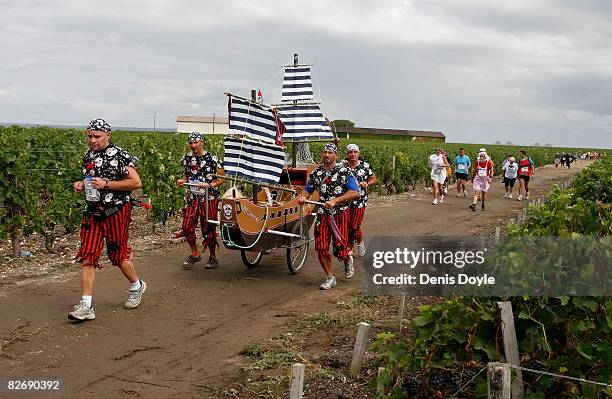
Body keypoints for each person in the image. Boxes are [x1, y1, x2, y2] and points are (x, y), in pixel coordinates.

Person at [69, 119, 146, 321]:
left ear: (107, 136)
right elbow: (90, 180)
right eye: (89, 136)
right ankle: (86, 305)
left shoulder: (120, 155)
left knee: (118, 257)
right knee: (88, 255)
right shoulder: (88, 155)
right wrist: (80, 184)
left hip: (116, 212)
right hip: (93, 212)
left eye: (97, 136)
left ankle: (137, 286)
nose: (92, 140)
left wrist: (106, 184)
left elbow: (136, 183)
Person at [298, 143, 359, 290]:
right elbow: (307, 190)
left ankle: (347, 258)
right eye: (324, 152)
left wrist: (335, 201)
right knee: (321, 247)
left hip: (340, 214)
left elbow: (354, 192)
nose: (327, 155)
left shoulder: (345, 172)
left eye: (330, 153)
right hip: (322, 214)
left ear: (336, 155)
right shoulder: (317, 173)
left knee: (340, 248)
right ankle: (330, 277)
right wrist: (303, 197)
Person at [177, 132, 224, 269]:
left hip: (209, 198)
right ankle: (195, 254)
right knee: (186, 227)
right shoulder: (187, 158)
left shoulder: (212, 158)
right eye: (191, 143)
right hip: (192, 198)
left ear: (202, 142)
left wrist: (209, 185)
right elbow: (186, 175)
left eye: (196, 143)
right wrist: (182, 181)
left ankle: (213, 257)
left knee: (208, 228)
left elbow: (221, 179)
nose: (193, 146)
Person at [344, 144, 377, 258]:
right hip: (345, 200)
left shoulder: (365, 166)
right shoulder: (342, 166)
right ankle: (355, 244)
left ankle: (353, 245)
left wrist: (367, 183)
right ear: (347, 154)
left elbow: (373, 178)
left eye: (355, 152)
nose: (353, 154)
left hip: (360, 201)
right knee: (347, 225)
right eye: (350, 152)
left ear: (358, 153)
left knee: (354, 225)